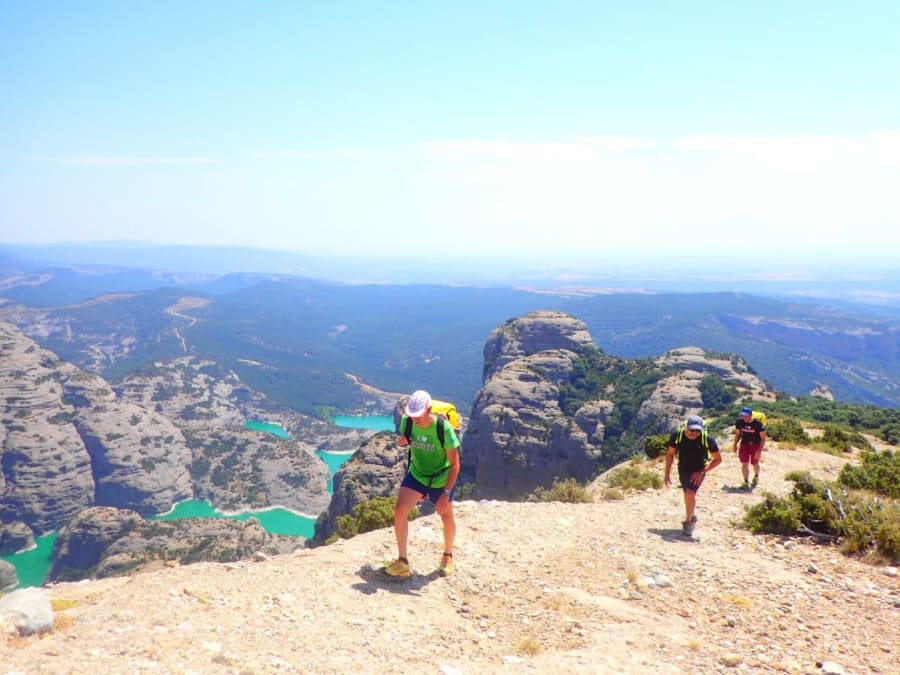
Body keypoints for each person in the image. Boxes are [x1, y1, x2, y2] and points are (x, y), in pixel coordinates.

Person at [385, 390, 461, 578]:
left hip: (441, 477)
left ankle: (448, 555)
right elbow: (409, 439)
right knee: (400, 512)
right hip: (418, 474)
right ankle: (403, 562)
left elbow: (455, 464)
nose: (415, 419)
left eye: (419, 415)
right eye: (412, 415)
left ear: (428, 410)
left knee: (446, 515)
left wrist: (445, 494)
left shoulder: (443, 429)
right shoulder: (407, 422)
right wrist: (404, 440)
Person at [664, 414, 722, 537]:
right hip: (683, 468)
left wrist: (702, 472)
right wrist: (667, 474)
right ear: (686, 428)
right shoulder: (677, 436)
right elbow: (670, 454)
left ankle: (688, 522)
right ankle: (691, 515)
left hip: (699, 469)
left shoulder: (707, 439)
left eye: (697, 431)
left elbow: (718, 459)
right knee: (687, 493)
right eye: (691, 430)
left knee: (690, 493)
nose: (694, 433)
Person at [733, 406, 767, 489]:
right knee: (744, 463)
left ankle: (756, 476)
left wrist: (759, 451)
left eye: (746, 415)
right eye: (743, 415)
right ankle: (746, 481)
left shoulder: (758, 424)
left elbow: (763, 438)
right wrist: (735, 444)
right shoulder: (739, 422)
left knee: (755, 463)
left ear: (751, 415)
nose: (744, 417)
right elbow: (738, 434)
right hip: (744, 444)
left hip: (755, 445)